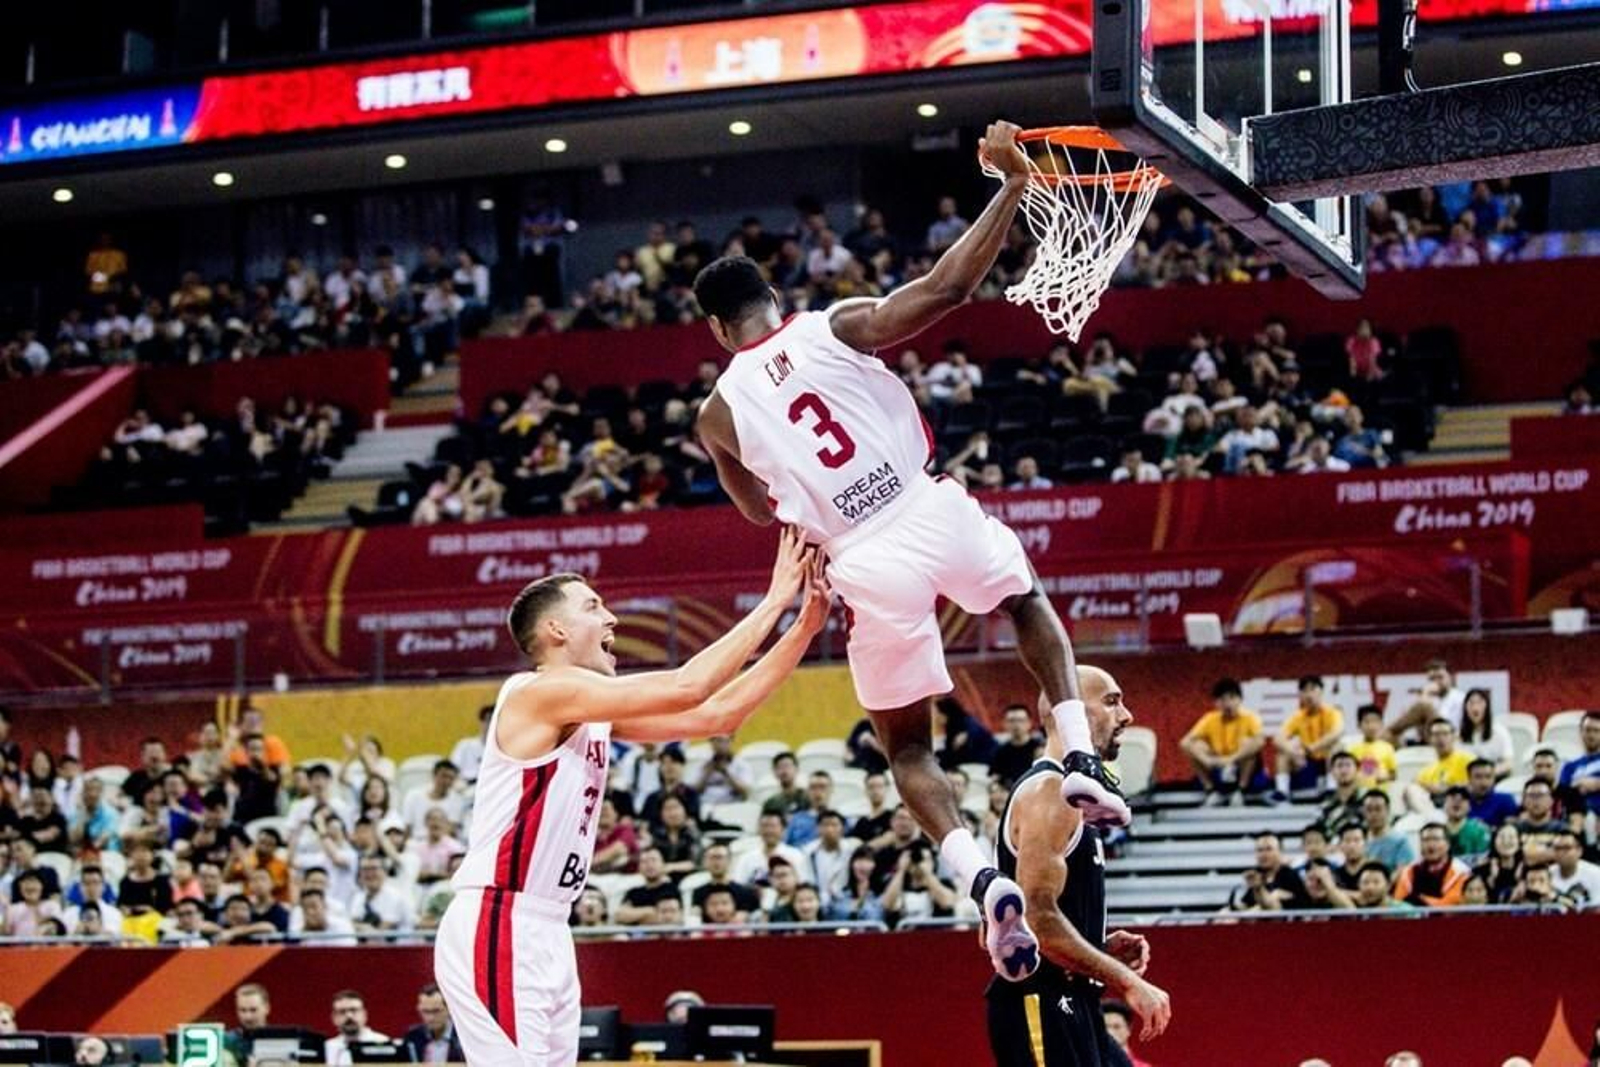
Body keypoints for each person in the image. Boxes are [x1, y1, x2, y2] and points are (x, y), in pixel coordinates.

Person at [692, 120, 1128, 982]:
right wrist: (1012, 186)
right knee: (1024, 604)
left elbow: (755, 510)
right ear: (774, 298)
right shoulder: (830, 326)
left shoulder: (715, 413)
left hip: (858, 554)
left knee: (906, 749)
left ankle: (979, 878)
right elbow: (947, 288)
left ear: (716, 329)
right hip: (925, 504)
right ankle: (1077, 751)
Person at [433, 533, 829, 1064]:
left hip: (549, 924)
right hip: (500, 916)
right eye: (593, 607)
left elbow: (716, 716)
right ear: (556, 630)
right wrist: (775, 600)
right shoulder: (541, 691)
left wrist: (803, 627)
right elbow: (688, 686)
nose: (612, 619)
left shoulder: (590, 711)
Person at [987, 665, 1170, 1066]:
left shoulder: (1069, 793)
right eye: (1111, 701)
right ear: (1065, 711)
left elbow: (1036, 919)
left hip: (1069, 998)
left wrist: (1095, 949)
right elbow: (1036, 921)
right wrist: (1127, 981)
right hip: (1041, 998)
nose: (1126, 716)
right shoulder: (1051, 793)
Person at [1180, 679, 1265, 806]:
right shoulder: (1209, 718)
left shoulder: (1250, 717)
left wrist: (1231, 759)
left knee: (1249, 743)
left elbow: (1260, 741)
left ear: (1240, 699)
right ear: (1216, 703)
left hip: (1241, 762)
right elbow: (1185, 742)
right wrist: (1206, 760)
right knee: (1195, 746)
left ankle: (1240, 791)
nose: (1227, 704)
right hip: (1218, 762)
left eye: (1232, 698)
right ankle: (1211, 791)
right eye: (1222, 700)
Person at [1271, 675, 1344, 802]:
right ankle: (1282, 791)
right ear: (1300, 695)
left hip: (1326, 758)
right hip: (1306, 760)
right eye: (1304, 691)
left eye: (1313, 689)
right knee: (1283, 752)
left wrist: (1313, 747)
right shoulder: (1297, 717)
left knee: (1336, 746)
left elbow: (1337, 732)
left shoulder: (1332, 713)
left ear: (1321, 691)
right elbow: (1278, 738)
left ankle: (1331, 787)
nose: (1309, 695)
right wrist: (1293, 753)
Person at [1392, 824, 1472, 907]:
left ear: (1448, 844)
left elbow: (1451, 905)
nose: (1430, 845)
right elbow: (1399, 904)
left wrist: (1419, 899)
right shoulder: (1408, 872)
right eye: (1425, 840)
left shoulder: (1461, 872)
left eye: (1436, 839)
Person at [323, 990, 389, 1065]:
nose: (349, 1016)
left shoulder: (383, 1043)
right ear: (334, 1017)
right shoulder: (328, 1048)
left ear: (364, 1014)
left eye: (354, 1010)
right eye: (342, 1011)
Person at [403, 983, 465, 1063]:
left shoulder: (462, 1037)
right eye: (426, 1011)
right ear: (419, 1009)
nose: (431, 1018)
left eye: (436, 1011)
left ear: (449, 1009)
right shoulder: (413, 1037)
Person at [1558, 711, 1600, 817]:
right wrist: (1577, 788)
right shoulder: (1569, 767)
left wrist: (1597, 784)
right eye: (1588, 730)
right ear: (1581, 732)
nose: (1591, 735)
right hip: (1577, 817)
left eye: (1596, 731)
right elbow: (1563, 795)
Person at [1346, 705, 1397, 790]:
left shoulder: (1388, 748)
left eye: (1375, 721)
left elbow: (1394, 775)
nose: (1371, 726)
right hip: (1360, 791)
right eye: (1367, 722)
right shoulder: (1352, 750)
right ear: (1359, 725)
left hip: (1381, 792)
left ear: (1381, 724)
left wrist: (1385, 777)